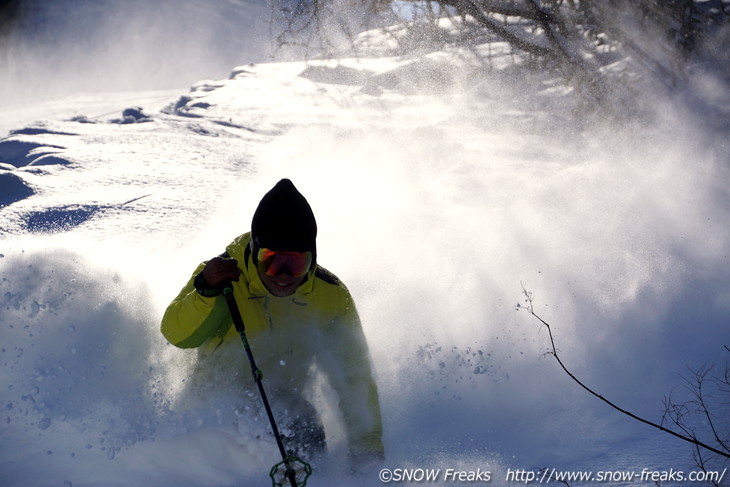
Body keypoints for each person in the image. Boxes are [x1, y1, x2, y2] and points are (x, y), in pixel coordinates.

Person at [160, 178, 384, 468]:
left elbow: (354, 376)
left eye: (296, 263)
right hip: (212, 412)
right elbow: (178, 335)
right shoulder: (222, 278)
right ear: (254, 251)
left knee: (304, 424)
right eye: (271, 261)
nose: (283, 275)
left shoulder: (330, 296)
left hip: (285, 411)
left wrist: (367, 450)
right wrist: (204, 291)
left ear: (312, 258)